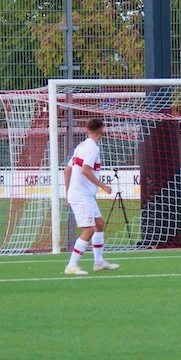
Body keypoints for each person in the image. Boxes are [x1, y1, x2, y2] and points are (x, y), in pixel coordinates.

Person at [63, 117, 119, 275]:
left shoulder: (81, 146)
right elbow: (85, 170)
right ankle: (71, 266)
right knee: (88, 229)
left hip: (83, 195)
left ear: (87, 129)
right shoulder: (93, 148)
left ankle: (99, 262)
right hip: (82, 196)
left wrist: (67, 193)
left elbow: (67, 171)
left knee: (99, 224)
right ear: (102, 130)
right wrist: (103, 186)